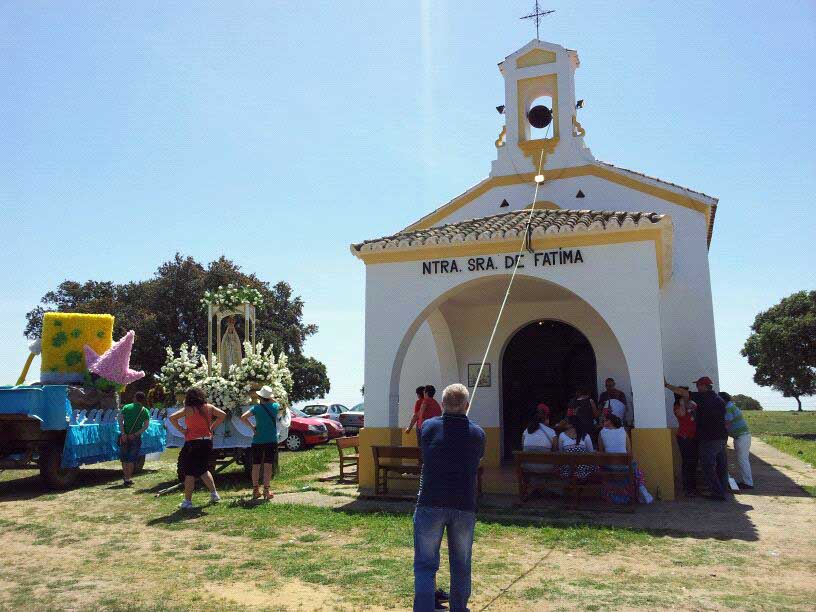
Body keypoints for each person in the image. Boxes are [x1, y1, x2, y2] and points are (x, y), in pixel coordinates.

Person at [413, 383, 485, 612]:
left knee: (425, 565)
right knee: (461, 564)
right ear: (467, 405)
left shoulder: (429, 427)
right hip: (463, 504)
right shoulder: (477, 433)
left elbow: (425, 445)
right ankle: (459, 608)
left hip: (431, 502)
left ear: (443, 404)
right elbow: (477, 458)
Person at [665, 376, 729, 501]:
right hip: (719, 437)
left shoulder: (702, 397)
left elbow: (684, 394)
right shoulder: (718, 399)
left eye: (698, 385)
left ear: (704, 386)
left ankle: (717, 492)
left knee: (707, 465)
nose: (696, 388)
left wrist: (666, 385)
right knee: (718, 464)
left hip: (709, 438)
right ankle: (720, 489)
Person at [169, 387, 226, 510]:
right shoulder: (209, 407)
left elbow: (172, 417)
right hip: (207, 441)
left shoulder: (188, 409)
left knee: (189, 472)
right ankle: (214, 494)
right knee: (203, 469)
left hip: (193, 442)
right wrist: (212, 427)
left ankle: (187, 501)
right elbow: (223, 415)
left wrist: (182, 430)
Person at [240, 385, 280, 501]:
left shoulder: (256, 408)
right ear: (269, 397)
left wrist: (252, 427)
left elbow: (243, 417)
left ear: (260, 397)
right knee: (268, 466)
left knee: (256, 465)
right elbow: (277, 403)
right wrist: (271, 398)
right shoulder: (275, 406)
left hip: (257, 440)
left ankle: (255, 490)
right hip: (271, 440)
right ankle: (266, 490)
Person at [721, 391, 753, 490]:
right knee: (743, 459)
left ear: (722, 400)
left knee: (742, 460)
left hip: (741, 437)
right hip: (742, 436)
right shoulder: (731, 406)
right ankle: (747, 481)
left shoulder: (728, 408)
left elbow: (727, 423)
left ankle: (748, 483)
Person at [117, 391, 150, 486]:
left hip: (124, 435)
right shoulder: (145, 411)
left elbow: (120, 420)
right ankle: (128, 478)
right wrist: (135, 434)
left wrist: (123, 433)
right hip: (135, 437)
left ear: (135, 398)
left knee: (124, 458)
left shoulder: (126, 407)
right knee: (132, 458)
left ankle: (125, 477)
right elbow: (146, 426)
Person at [673, 388, 699, 496]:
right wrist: (682, 403)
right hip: (684, 438)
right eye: (684, 393)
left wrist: (689, 403)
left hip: (694, 437)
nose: (687, 394)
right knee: (687, 462)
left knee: (693, 462)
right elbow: (682, 414)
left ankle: (693, 487)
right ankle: (688, 488)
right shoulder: (677, 406)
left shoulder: (691, 404)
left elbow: (696, 409)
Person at [522, 409, 558, 473]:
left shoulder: (526, 431)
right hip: (546, 467)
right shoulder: (551, 432)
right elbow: (555, 449)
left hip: (527, 466)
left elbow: (523, 446)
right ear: (546, 419)